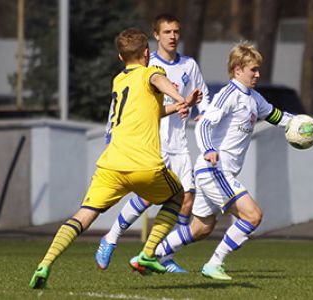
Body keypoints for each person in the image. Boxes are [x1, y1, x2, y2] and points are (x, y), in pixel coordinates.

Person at [129, 42, 313, 280]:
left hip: (218, 172)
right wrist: (208, 148)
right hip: (214, 170)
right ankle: (214, 263)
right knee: (253, 216)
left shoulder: (254, 98)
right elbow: (205, 124)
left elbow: (281, 118)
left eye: (258, 69)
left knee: (201, 228)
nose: (258, 74)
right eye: (253, 70)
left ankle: (148, 256)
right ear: (238, 69)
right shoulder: (228, 95)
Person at [29, 27, 202, 289]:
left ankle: (45, 263)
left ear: (121, 58)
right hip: (144, 165)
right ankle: (147, 254)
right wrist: (180, 97)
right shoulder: (151, 72)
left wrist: (175, 106)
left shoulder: (119, 81)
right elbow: (157, 80)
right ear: (147, 53)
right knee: (179, 197)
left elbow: (149, 111)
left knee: (83, 216)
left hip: (110, 165)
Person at [94, 14, 209, 274]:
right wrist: (109, 134)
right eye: (167, 32)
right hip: (151, 143)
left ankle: (162, 255)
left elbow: (203, 96)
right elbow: (118, 106)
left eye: (176, 32)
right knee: (147, 198)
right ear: (155, 36)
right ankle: (111, 238)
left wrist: (202, 110)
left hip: (178, 143)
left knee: (187, 199)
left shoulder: (189, 65)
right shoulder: (146, 66)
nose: (173, 36)